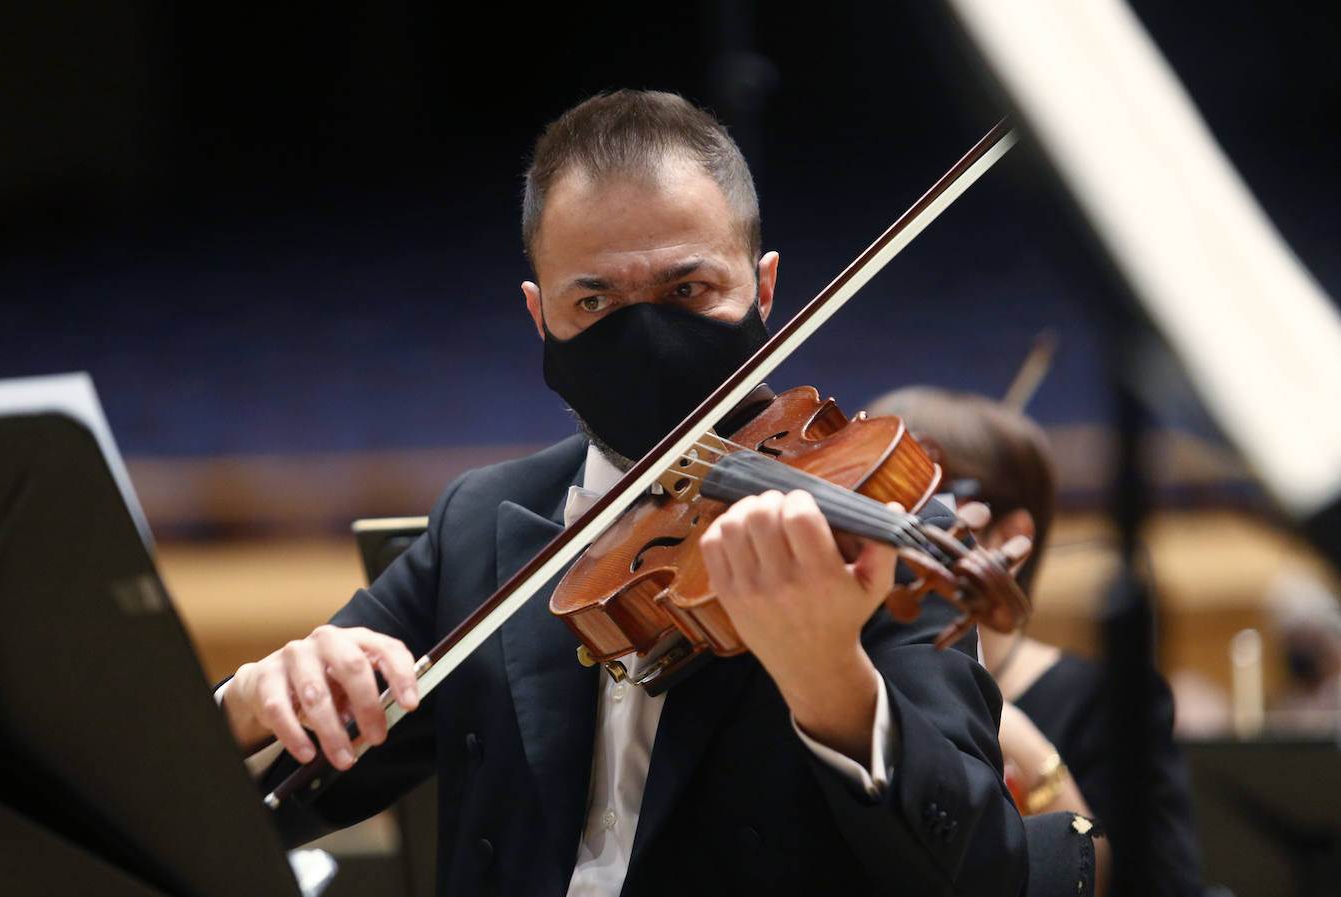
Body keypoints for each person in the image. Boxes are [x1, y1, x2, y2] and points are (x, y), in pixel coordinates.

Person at [219, 91, 1027, 897]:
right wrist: (255, 701)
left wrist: (831, 682)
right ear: (541, 316)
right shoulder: (482, 522)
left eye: (687, 291)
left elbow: (986, 872)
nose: (644, 341)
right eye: (595, 301)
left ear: (765, 288)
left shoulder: (871, 524)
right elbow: (252, 807)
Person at [867, 385, 1202, 897]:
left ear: (1008, 541)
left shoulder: (1112, 705)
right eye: (865, 493)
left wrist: (1032, 755)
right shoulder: (849, 690)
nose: (880, 523)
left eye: (925, 498)